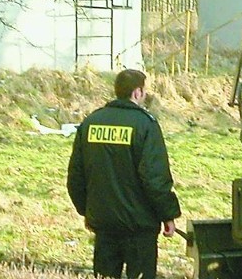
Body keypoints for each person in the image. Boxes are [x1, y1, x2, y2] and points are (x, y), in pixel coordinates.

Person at [67, 69, 181, 279]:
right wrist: (168, 215)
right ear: (137, 92)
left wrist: (88, 211)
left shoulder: (91, 122)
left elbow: (76, 176)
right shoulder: (146, 125)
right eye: (144, 91)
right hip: (140, 227)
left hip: (104, 224)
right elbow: (155, 179)